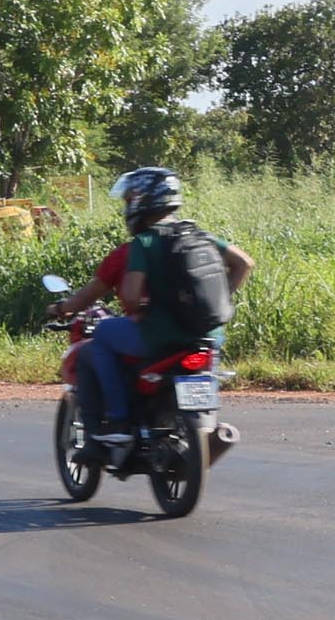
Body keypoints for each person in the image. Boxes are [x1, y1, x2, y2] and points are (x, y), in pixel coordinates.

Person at [61, 166, 240, 446]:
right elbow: (244, 263)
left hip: (159, 336)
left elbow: (131, 296)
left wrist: (140, 310)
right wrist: (220, 299)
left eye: (131, 199)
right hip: (207, 334)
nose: (128, 205)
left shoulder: (144, 242)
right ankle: (203, 430)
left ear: (144, 200)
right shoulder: (200, 235)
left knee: (100, 338)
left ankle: (118, 420)